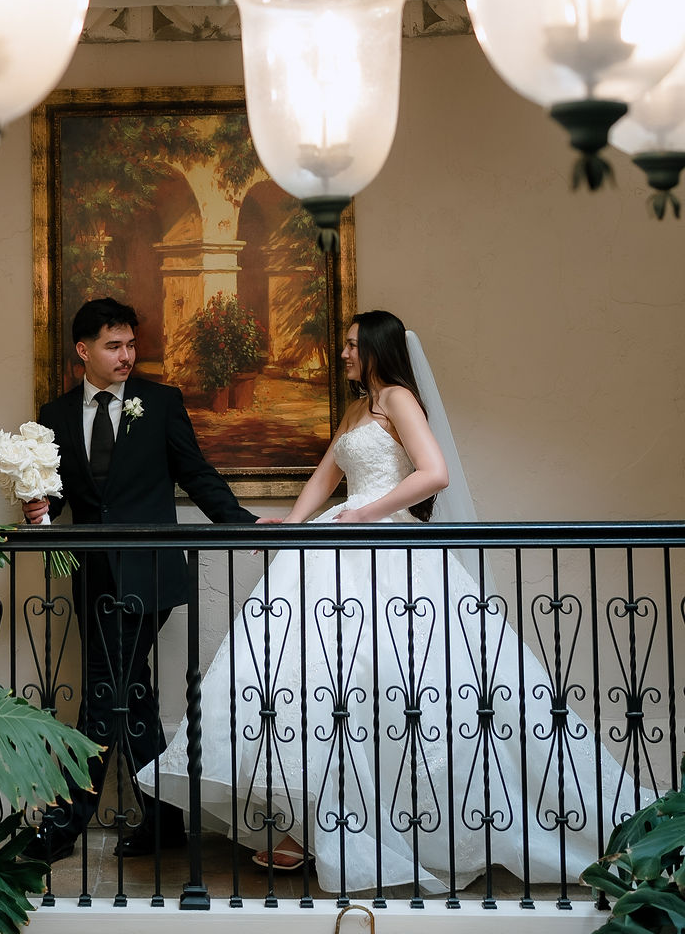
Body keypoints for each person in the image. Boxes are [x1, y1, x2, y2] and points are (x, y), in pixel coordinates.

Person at [146, 309, 647, 895]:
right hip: (340, 543)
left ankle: (415, 828)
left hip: (387, 547)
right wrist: (291, 527)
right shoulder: (359, 407)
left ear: (379, 348)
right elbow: (325, 475)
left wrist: (367, 514)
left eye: (354, 345)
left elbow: (434, 474)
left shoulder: (400, 400)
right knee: (318, 688)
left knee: (401, 690)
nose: (345, 354)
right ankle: (318, 827)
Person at [25, 296, 258, 862]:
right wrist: (39, 512)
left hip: (150, 574)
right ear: (84, 351)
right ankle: (165, 822)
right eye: (114, 346)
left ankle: (63, 825)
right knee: (133, 695)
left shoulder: (160, 402)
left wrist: (246, 524)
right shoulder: (53, 416)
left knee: (104, 695)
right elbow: (52, 496)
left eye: (131, 344)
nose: (126, 355)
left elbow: (196, 473)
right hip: (92, 576)